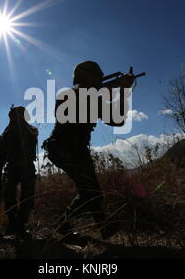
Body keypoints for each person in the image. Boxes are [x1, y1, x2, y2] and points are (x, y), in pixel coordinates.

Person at [42, 61, 135, 241]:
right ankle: (64, 225)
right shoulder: (68, 95)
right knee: (90, 190)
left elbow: (117, 120)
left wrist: (123, 91)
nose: (100, 78)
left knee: (90, 190)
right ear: (84, 77)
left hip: (77, 149)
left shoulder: (94, 96)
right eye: (96, 75)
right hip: (62, 148)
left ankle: (102, 227)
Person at [0, 106, 38, 239]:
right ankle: (16, 224)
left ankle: (17, 225)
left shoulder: (25, 131)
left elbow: (3, 145)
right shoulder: (27, 130)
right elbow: (2, 146)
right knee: (12, 196)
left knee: (22, 196)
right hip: (16, 167)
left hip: (21, 167)